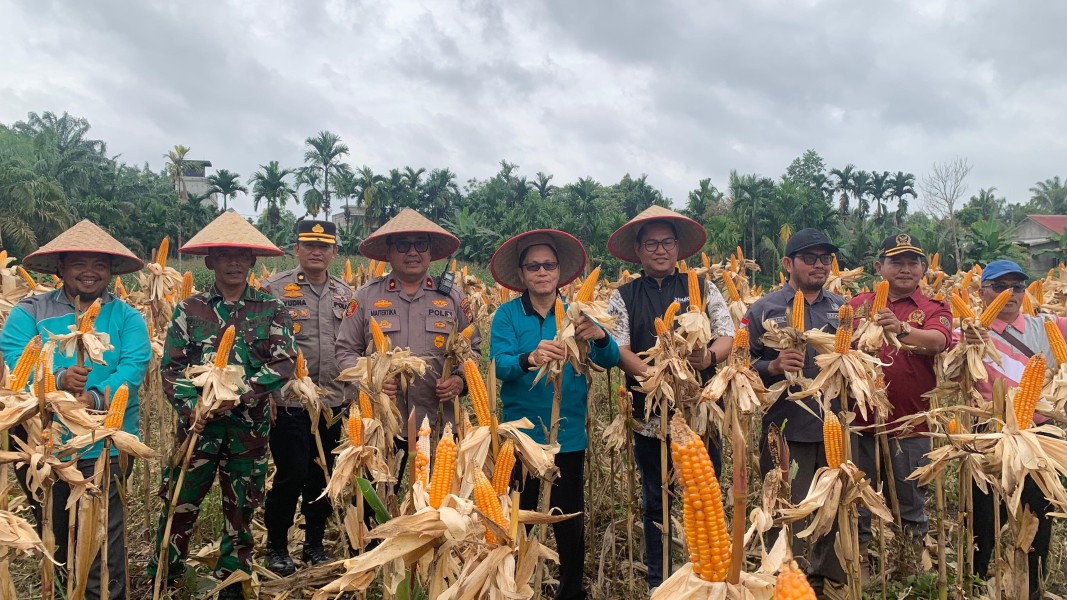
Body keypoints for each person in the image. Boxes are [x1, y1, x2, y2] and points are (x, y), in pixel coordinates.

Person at [149, 210, 297, 600]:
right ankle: (165, 571)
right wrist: (193, 407)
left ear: (252, 261)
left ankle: (233, 577)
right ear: (210, 260)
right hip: (198, 431)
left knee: (241, 510)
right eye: (225, 254)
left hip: (249, 432)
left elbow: (283, 363)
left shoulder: (271, 307)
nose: (234, 262)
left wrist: (238, 394)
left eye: (242, 255)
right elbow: (171, 369)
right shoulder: (189, 309)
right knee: (179, 503)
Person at [0, 219, 150, 600]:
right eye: (79, 263)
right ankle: (68, 590)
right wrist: (59, 378)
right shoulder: (29, 312)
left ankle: (106, 594)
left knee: (103, 532)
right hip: (43, 446)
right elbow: (15, 359)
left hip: (106, 443)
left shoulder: (128, 317)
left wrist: (93, 398)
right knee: (54, 524)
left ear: (111, 271)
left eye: (99, 264)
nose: (90, 272)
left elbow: (134, 366)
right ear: (61, 268)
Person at [605, 205, 735, 590]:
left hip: (701, 411)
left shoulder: (704, 288)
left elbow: (727, 334)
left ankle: (710, 577)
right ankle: (659, 582)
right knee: (656, 499)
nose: (660, 250)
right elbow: (619, 347)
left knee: (705, 497)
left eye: (667, 242)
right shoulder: (623, 296)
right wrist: (653, 375)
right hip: (649, 412)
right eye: (651, 244)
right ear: (639, 251)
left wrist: (709, 356)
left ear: (678, 248)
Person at [489, 230, 619, 600]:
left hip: (569, 436)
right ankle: (519, 585)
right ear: (522, 273)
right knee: (523, 514)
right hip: (522, 437)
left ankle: (571, 589)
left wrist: (598, 337)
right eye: (534, 266)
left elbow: (609, 361)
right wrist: (529, 358)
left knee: (568, 518)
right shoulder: (507, 316)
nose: (542, 272)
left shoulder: (579, 314)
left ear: (560, 271)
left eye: (549, 265)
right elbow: (499, 365)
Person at [744, 227, 846, 591]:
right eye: (810, 258)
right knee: (788, 511)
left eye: (825, 258)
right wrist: (771, 367)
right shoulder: (764, 308)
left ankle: (821, 584)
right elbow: (740, 368)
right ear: (788, 263)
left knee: (829, 513)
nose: (820, 265)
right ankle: (785, 583)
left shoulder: (841, 309)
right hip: (787, 430)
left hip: (835, 432)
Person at [335, 208, 479, 464]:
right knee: (378, 497)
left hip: (439, 421)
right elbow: (345, 352)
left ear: (430, 251)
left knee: (438, 500)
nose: (413, 252)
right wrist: (370, 380)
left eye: (420, 244)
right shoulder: (366, 297)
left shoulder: (453, 297)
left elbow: (473, 351)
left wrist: (460, 380)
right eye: (402, 245)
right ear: (388, 252)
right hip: (382, 420)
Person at [847, 233, 951, 569]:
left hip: (911, 424)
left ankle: (910, 565)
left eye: (912, 262)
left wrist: (901, 329)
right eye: (896, 262)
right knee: (858, 499)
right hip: (859, 421)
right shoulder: (855, 305)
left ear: (923, 269)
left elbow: (936, 342)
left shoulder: (934, 308)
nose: (905, 269)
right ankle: (859, 564)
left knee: (909, 501)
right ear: (880, 267)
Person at [261, 220, 355, 573]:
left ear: (334, 252)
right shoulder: (273, 289)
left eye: (325, 246)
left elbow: (355, 343)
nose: (317, 251)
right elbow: (258, 343)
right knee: (291, 472)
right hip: (290, 401)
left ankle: (314, 542)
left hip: (334, 400)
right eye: (309, 244)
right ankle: (277, 545)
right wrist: (266, 391)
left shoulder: (347, 294)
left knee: (324, 474)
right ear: (296, 249)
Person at [964, 259, 1058, 599]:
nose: (1011, 294)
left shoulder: (1046, 326)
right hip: (991, 433)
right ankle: (975, 582)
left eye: (1017, 287)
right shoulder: (971, 332)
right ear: (982, 291)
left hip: (1039, 437)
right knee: (984, 518)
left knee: (1037, 513)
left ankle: (1031, 587)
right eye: (1000, 286)